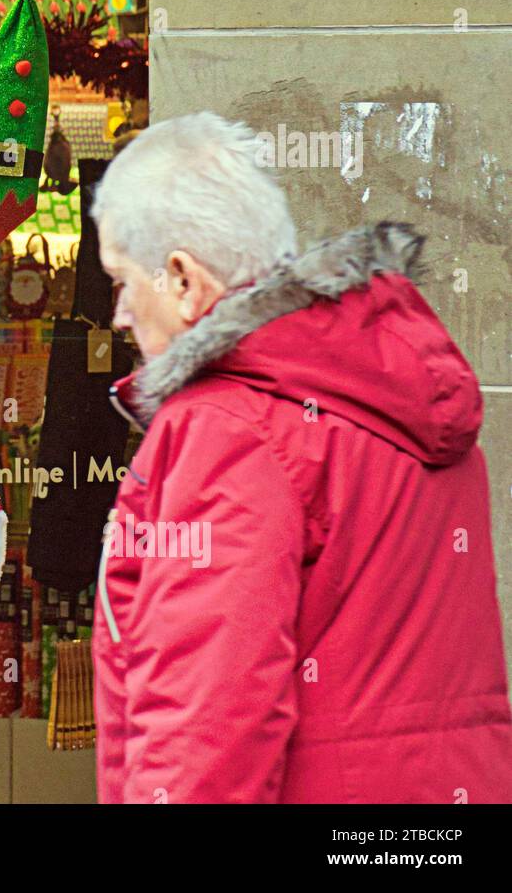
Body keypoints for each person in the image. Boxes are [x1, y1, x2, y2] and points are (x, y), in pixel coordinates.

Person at [89, 111, 512, 803]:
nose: (120, 316)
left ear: (183, 279)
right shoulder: (402, 390)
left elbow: (207, 716)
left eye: (121, 282)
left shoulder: (227, 424)